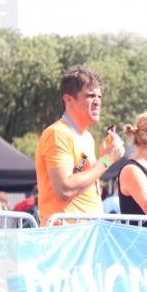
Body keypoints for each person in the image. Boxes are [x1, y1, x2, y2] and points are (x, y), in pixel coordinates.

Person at [35, 66, 125, 226]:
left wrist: (103, 160)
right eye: (90, 96)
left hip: (85, 235)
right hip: (65, 237)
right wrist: (106, 161)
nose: (97, 102)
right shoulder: (58, 133)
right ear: (68, 100)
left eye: (99, 96)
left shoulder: (87, 137)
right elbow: (65, 189)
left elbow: (83, 183)